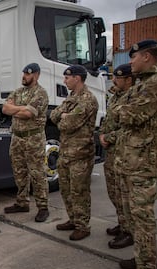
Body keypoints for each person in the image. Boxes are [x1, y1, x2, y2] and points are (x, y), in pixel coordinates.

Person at [114, 39, 157, 269]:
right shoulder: (142, 84)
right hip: (130, 160)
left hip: (143, 162)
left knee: (142, 218)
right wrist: (123, 107)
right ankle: (144, 257)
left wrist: (123, 108)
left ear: (146, 57)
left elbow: (131, 115)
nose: (130, 61)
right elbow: (119, 110)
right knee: (133, 215)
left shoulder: (155, 84)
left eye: (134, 57)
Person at [50, 65, 98, 241]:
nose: (64, 81)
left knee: (79, 191)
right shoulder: (71, 98)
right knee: (66, 189)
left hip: (81, 154)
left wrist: (63, 117)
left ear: (77, 78)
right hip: (66, 152)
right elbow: (53, 115)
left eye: (67, 78)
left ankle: (83, 226)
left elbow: (67, 124)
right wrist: (63, 115)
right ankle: (73, 219)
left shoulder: (87, 99)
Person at [2, 63, 49, 222]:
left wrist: (15, 109)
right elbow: (5, 109)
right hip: (17, 138)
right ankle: (22, 202)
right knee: (19, 172)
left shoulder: (40, 93)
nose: (24, 76)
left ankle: (43, 207)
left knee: (37, 173)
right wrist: (19, 109)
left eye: (27, 74)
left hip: (33, 139)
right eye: (23, 73)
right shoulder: (18, 91)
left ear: (36, 75)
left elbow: (28, 113)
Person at [99, 64, 135, 249]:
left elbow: (129, 128)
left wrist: (109, 137)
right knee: (114, 192)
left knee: (125, 195)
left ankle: (129, 232)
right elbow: (108, 120)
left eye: (118, 78)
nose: (113, 80)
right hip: (112, 152)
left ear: (129, 80)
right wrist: (102, 135)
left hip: (125, 152)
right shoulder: (116, 97)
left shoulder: (133, 98)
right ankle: (122, 224)